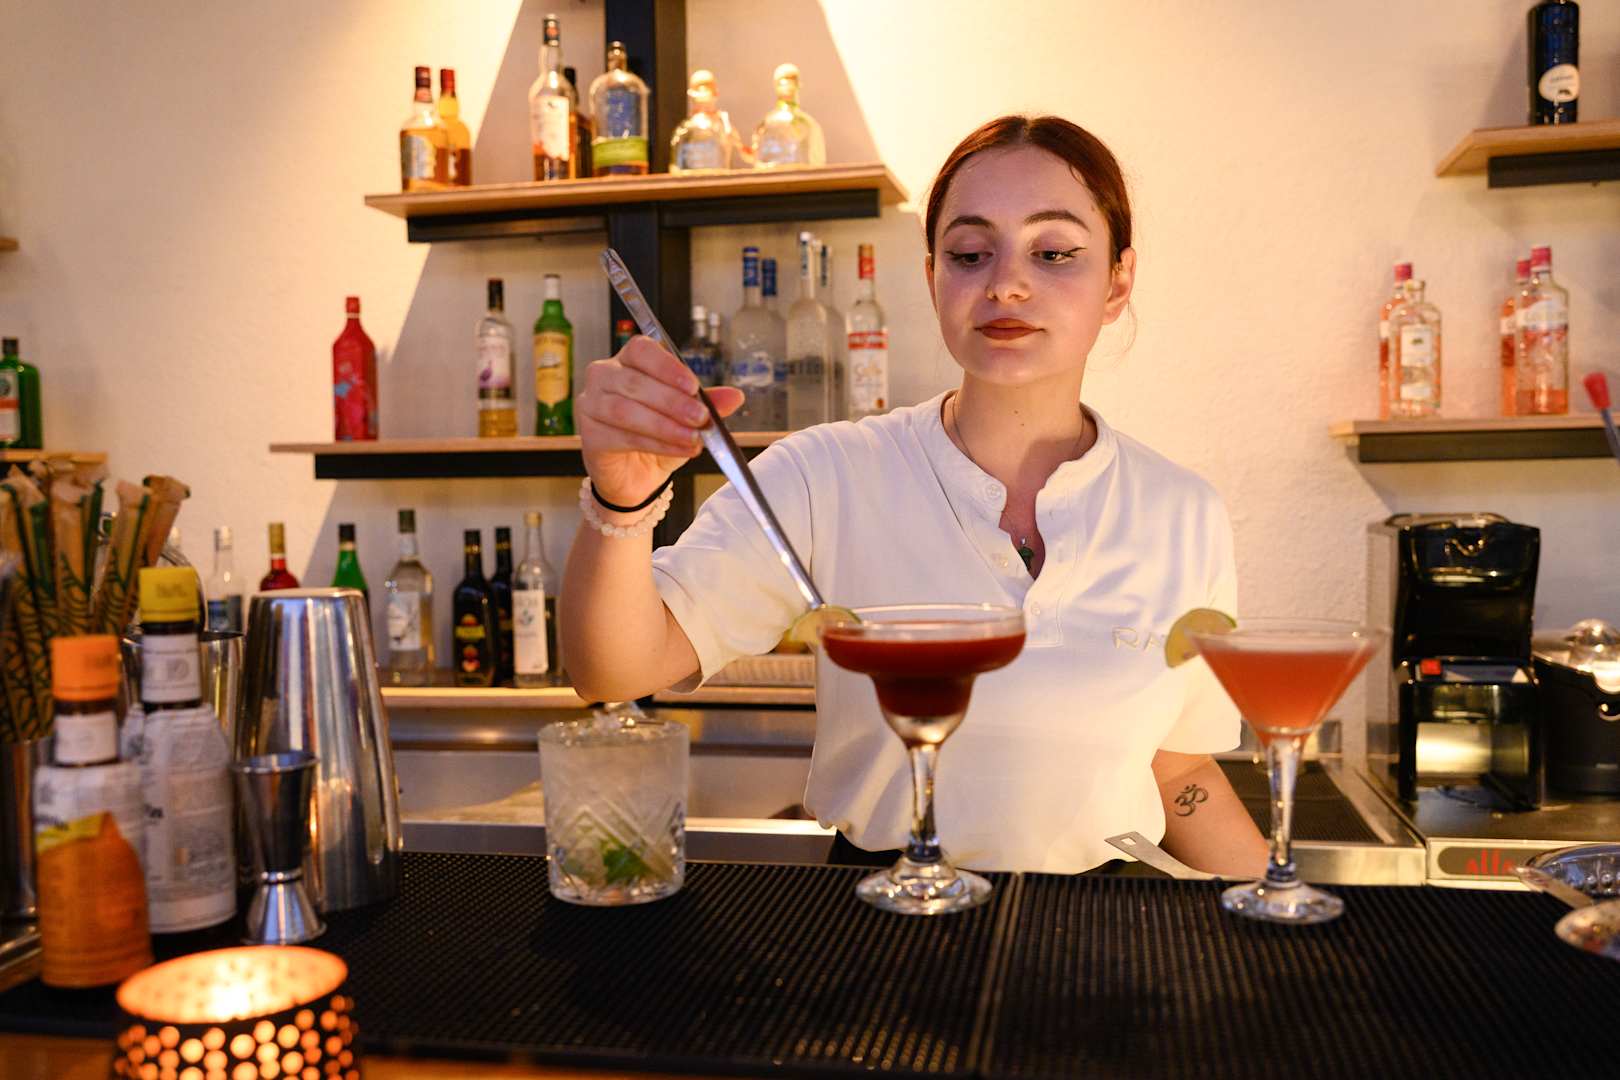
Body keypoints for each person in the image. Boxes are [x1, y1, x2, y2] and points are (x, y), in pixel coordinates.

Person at [561, 114, 1268, 877]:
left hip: (1096, 922)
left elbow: (1179, 767)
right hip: (881, 909)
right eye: (970, 253)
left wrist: (1290, 927)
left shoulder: (1183, 514)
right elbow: (615, 672)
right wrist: (621, 500)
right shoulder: (824, 475)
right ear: (933, 276)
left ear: (1117, 281)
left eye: (1055, 252)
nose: (1007, 283)